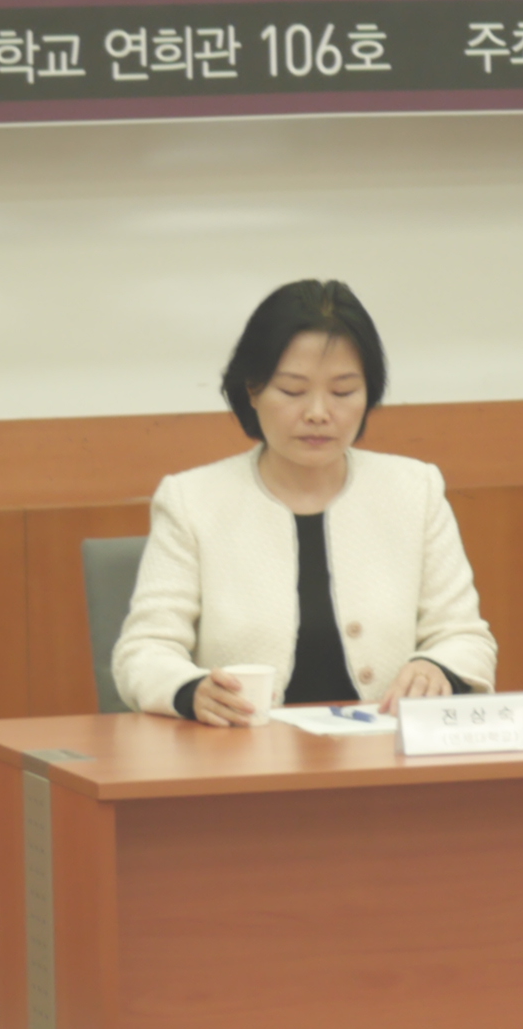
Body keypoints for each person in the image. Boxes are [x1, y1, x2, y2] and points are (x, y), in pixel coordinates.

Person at [112, 278, 495, 724]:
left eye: (343, 392)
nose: (318, 413)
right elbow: (144, 650)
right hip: (242, 752)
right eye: (293, 391)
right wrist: (191, 691)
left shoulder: (414, 489)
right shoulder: (193, 500)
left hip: (385, 751)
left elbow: (465, 637)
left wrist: (436, 667)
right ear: (252, 390)